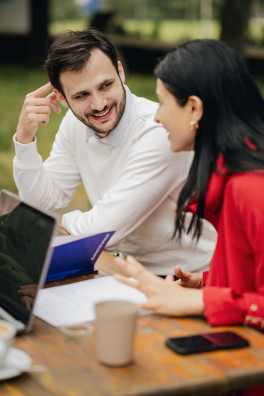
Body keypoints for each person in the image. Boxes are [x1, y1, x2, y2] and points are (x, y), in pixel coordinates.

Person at [115, 39, 264, 396]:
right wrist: (211, 283)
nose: (155, 116)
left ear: (194, 108)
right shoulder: (230, 178)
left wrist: (204, 302)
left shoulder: (250, 188)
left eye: (163, 102)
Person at [13, 28, 216, 275]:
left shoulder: (159, 131)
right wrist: (24, 140)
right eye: (81, 95)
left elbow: (102, 234)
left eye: (106, 85)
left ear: (120, 72)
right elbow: (40, 203)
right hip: (129, 270)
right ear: (62, 98)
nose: (98, 104)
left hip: (193, 276)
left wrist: (66, 221)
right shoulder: (74, 123)